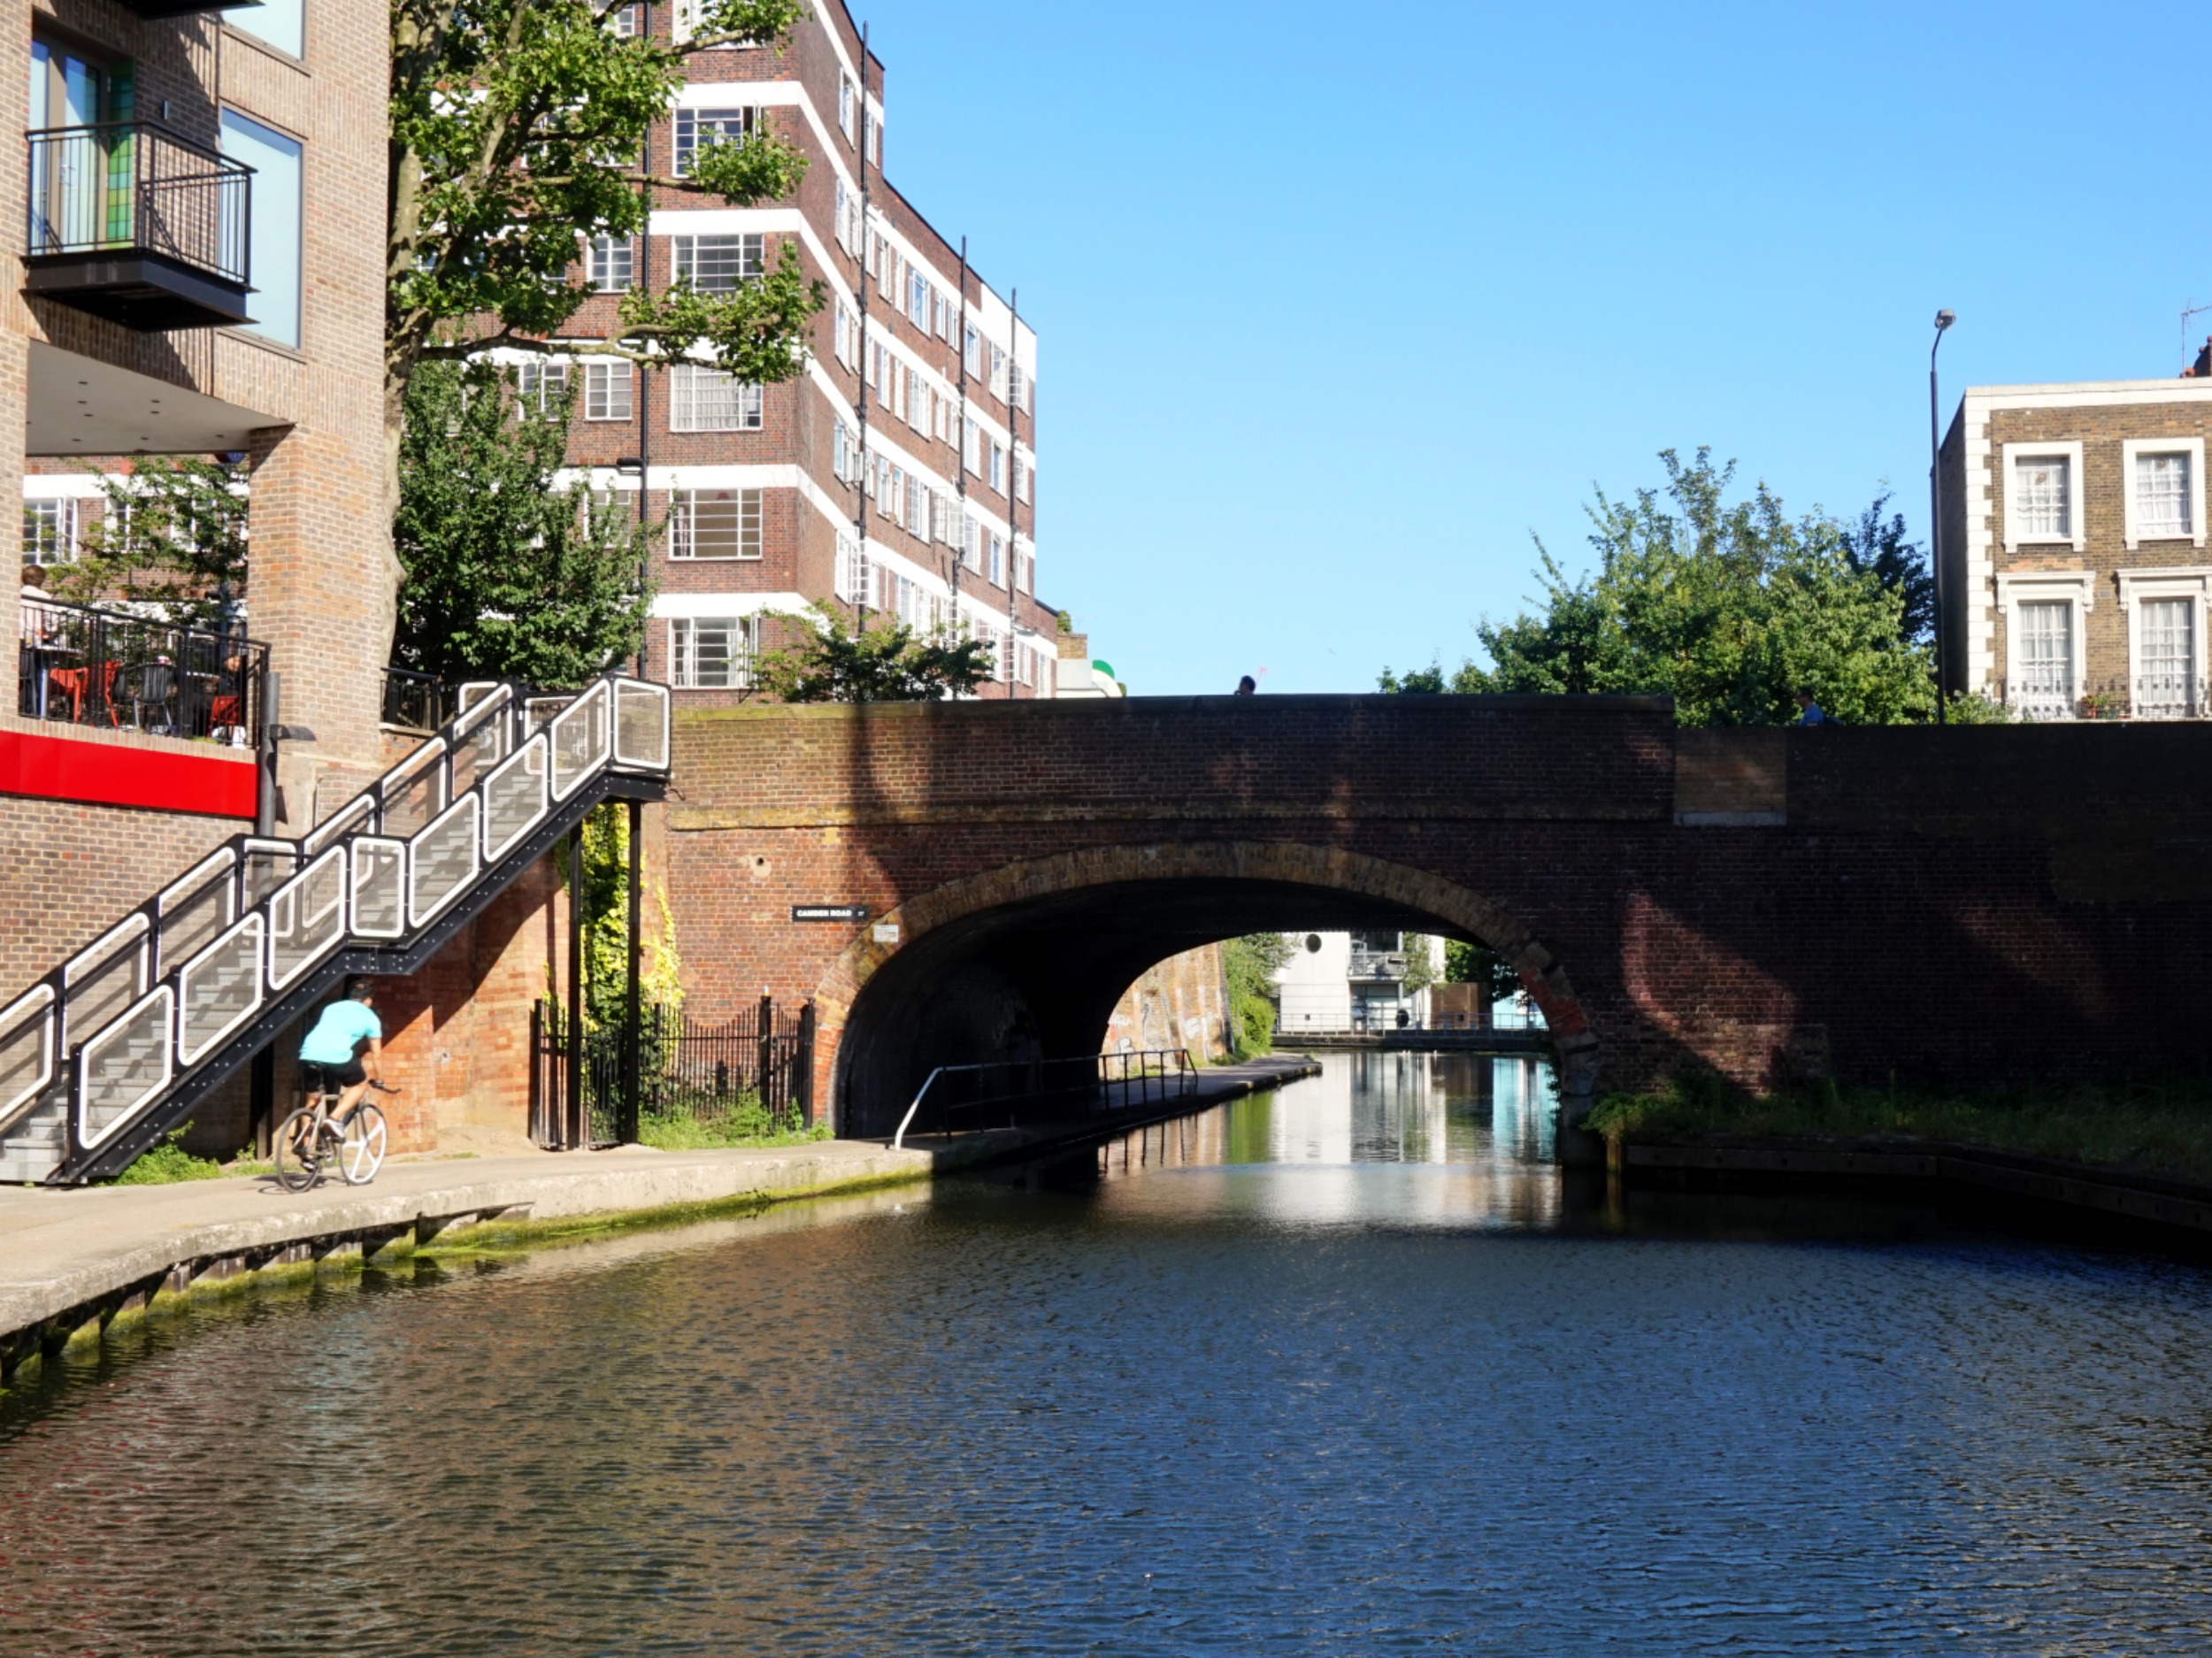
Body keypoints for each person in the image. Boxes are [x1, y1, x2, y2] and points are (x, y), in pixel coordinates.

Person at [298, 978, 386, 1121]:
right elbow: (376, 1053)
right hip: (337, 1055)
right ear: (368, 999)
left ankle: (305, 1143)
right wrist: (380, 1079)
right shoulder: (370, 1017)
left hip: (308, 1053)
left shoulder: (331, 1007)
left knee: (312, 1102)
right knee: (360, 1083)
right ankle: (333, 1119)